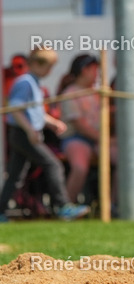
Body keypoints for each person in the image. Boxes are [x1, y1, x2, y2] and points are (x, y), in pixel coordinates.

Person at [0, 49, 89, 221]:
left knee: (15, 175)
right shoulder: (25, 82)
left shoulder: (34, 82)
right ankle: (63, 206)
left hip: (24, 133)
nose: (50, 71)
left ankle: (0, 211)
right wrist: (30, 130)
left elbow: (34, 112)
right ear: (36, 64)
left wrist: (52, 123)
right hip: (23, 134)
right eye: (49, 67)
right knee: (52, 165)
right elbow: (16, 110)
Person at [57, 54, 111, 204]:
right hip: (76, 138)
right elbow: (80, 126)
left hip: (98, 139)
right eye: (95, 70)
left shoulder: (97, 93)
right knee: (80, 168)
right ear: (84, 70)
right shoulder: (70, 93)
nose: (97, 75)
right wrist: (104, 139)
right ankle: (67, 207)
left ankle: (113, 204)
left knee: (124, 159)